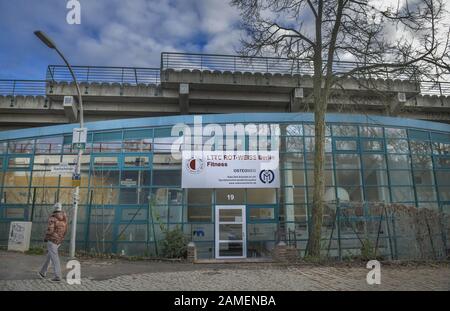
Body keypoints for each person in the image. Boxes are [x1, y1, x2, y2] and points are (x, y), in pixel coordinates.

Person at [38, 203, 68, 282]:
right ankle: (42, 272)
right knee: (50, 256)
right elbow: (65, 229)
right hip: (59, 240)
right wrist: (61, 238)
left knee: (54, 258)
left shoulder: (53, 218)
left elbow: (50, 230)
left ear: (54, 208)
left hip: (52, 240)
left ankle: (57, 276)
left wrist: (46, 238)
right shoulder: (64, 218)